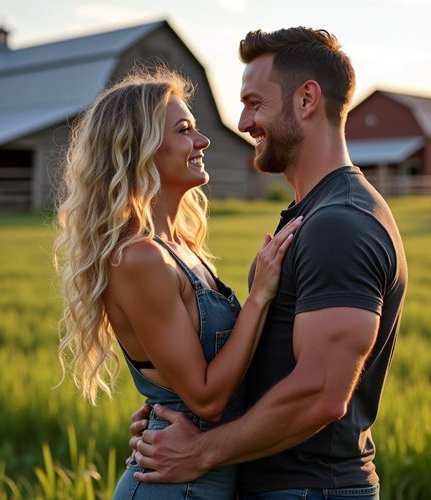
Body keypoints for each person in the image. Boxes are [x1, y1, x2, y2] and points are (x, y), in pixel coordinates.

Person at [129, 27, 408, 499]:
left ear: (306, 100)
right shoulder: (312, 214)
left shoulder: (340, 222)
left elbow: (320, 394)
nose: (242, 122)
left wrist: (201, 451)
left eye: (255, 103)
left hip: (309, 489)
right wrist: (173, 407)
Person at [53, 66, 302, 499]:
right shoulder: (141, 257)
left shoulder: (179, 247)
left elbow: (187, 377)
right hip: (174, 488)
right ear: (140, 148)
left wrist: (160, 407)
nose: (203, 141)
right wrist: (260, 295)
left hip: (199, 479)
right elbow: (206, 399)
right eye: (185, 130)